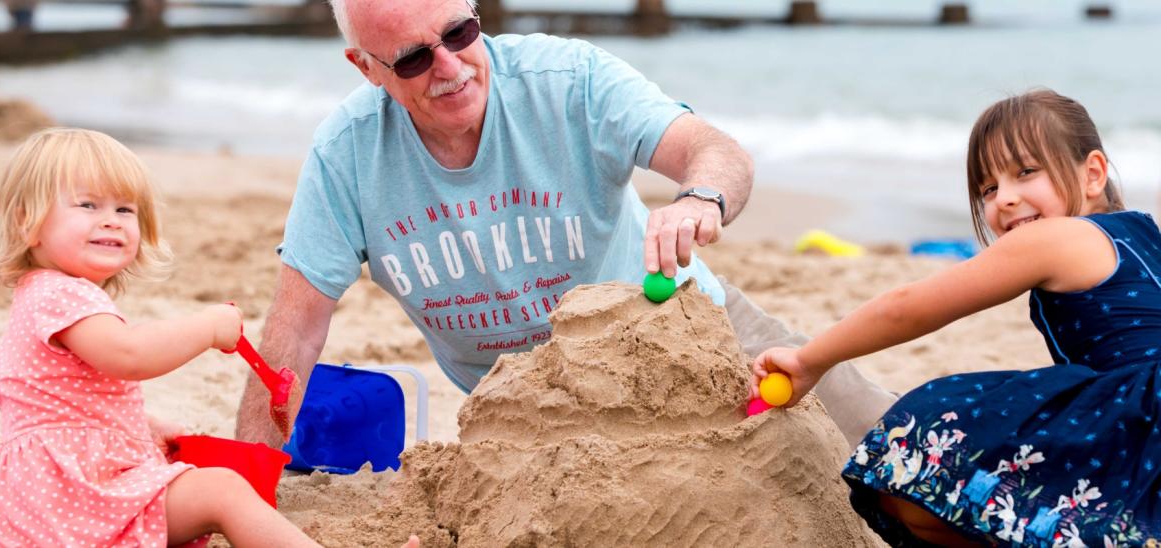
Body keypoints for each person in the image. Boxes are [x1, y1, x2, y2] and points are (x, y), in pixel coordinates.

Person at [236, 0, 896, 449]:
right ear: (366, 69)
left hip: (700, 335)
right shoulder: (348, 154)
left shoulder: (568, 80)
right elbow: (293, 331)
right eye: (412, 58)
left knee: (890, 448)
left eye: (460, 33)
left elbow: (716, 152)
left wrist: (699, 200)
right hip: (534, 408)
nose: (450, 67)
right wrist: (244, 479)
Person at [752, 90, 1159, 546]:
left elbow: (907, 307)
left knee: (915, 453)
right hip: (1135, 421)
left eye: (1026, 172)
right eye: (989, 188)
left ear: (1093, 174)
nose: (1005, 199)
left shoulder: (1055, 239)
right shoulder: (1144, 230)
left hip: (1137, 411)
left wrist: (809, 360)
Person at [0, 128, 325, 547]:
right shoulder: (61, 294)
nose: (110, 219)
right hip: (70, 495)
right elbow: (129, 355)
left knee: (211, 489)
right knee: (223, 490)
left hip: (54, 493)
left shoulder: (45, 292)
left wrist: (141, 425)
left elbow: (61, 397)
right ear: (26, 221)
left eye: (125, 209)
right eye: (87, 204)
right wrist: (207, 328)